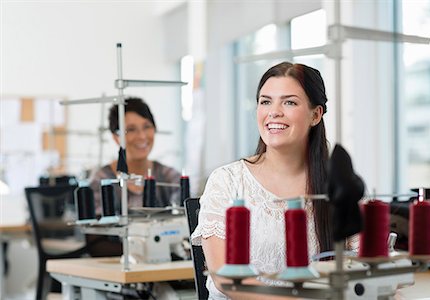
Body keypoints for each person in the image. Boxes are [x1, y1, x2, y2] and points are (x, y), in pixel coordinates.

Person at [191, 62, 344, 299]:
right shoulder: (228, 182)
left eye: (289, 102)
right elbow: (225, 277)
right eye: (265, 101)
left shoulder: (339, 187)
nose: (274, 111)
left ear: (316, 115)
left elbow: (365, 268)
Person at [88, 97, 181, 256]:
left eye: (147, 127)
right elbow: (96, 245)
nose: (142, 136)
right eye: (131, 129)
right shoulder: (102, 180)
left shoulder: (171, 178)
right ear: (116, 137)